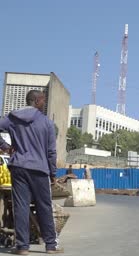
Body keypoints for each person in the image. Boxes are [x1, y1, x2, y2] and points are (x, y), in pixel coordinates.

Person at [0, 90, 63, 254]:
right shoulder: (46, 123)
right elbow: (51, 152)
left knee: (20, 206)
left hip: (19, 167)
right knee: (44, 206)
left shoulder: (13, 118)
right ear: (36, 100)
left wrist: (5, 147)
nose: (44, 103)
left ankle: (22, 247)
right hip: (40, 169)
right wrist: (53, 173)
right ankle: (51, 246)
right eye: (43, 100)